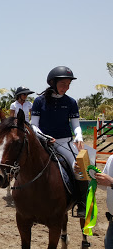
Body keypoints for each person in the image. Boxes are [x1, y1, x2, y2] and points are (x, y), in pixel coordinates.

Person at [31, 66, 87, 218]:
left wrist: (79, 136)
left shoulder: (71, 102)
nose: (66, 88)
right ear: (52, 83)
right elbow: (33, 125)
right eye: (63, 84)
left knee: (80, 166)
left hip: (64, 143)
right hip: (43, 142)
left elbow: (75, 125)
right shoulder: (39, 101)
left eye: (68, 84)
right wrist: (44, 137)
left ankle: (81, 203)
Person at [94, 158, 113, 249]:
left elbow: (110, 183)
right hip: (112, 223)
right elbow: (104, 186)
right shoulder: (111, 158)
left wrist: (111, 182)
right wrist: (90, 175)